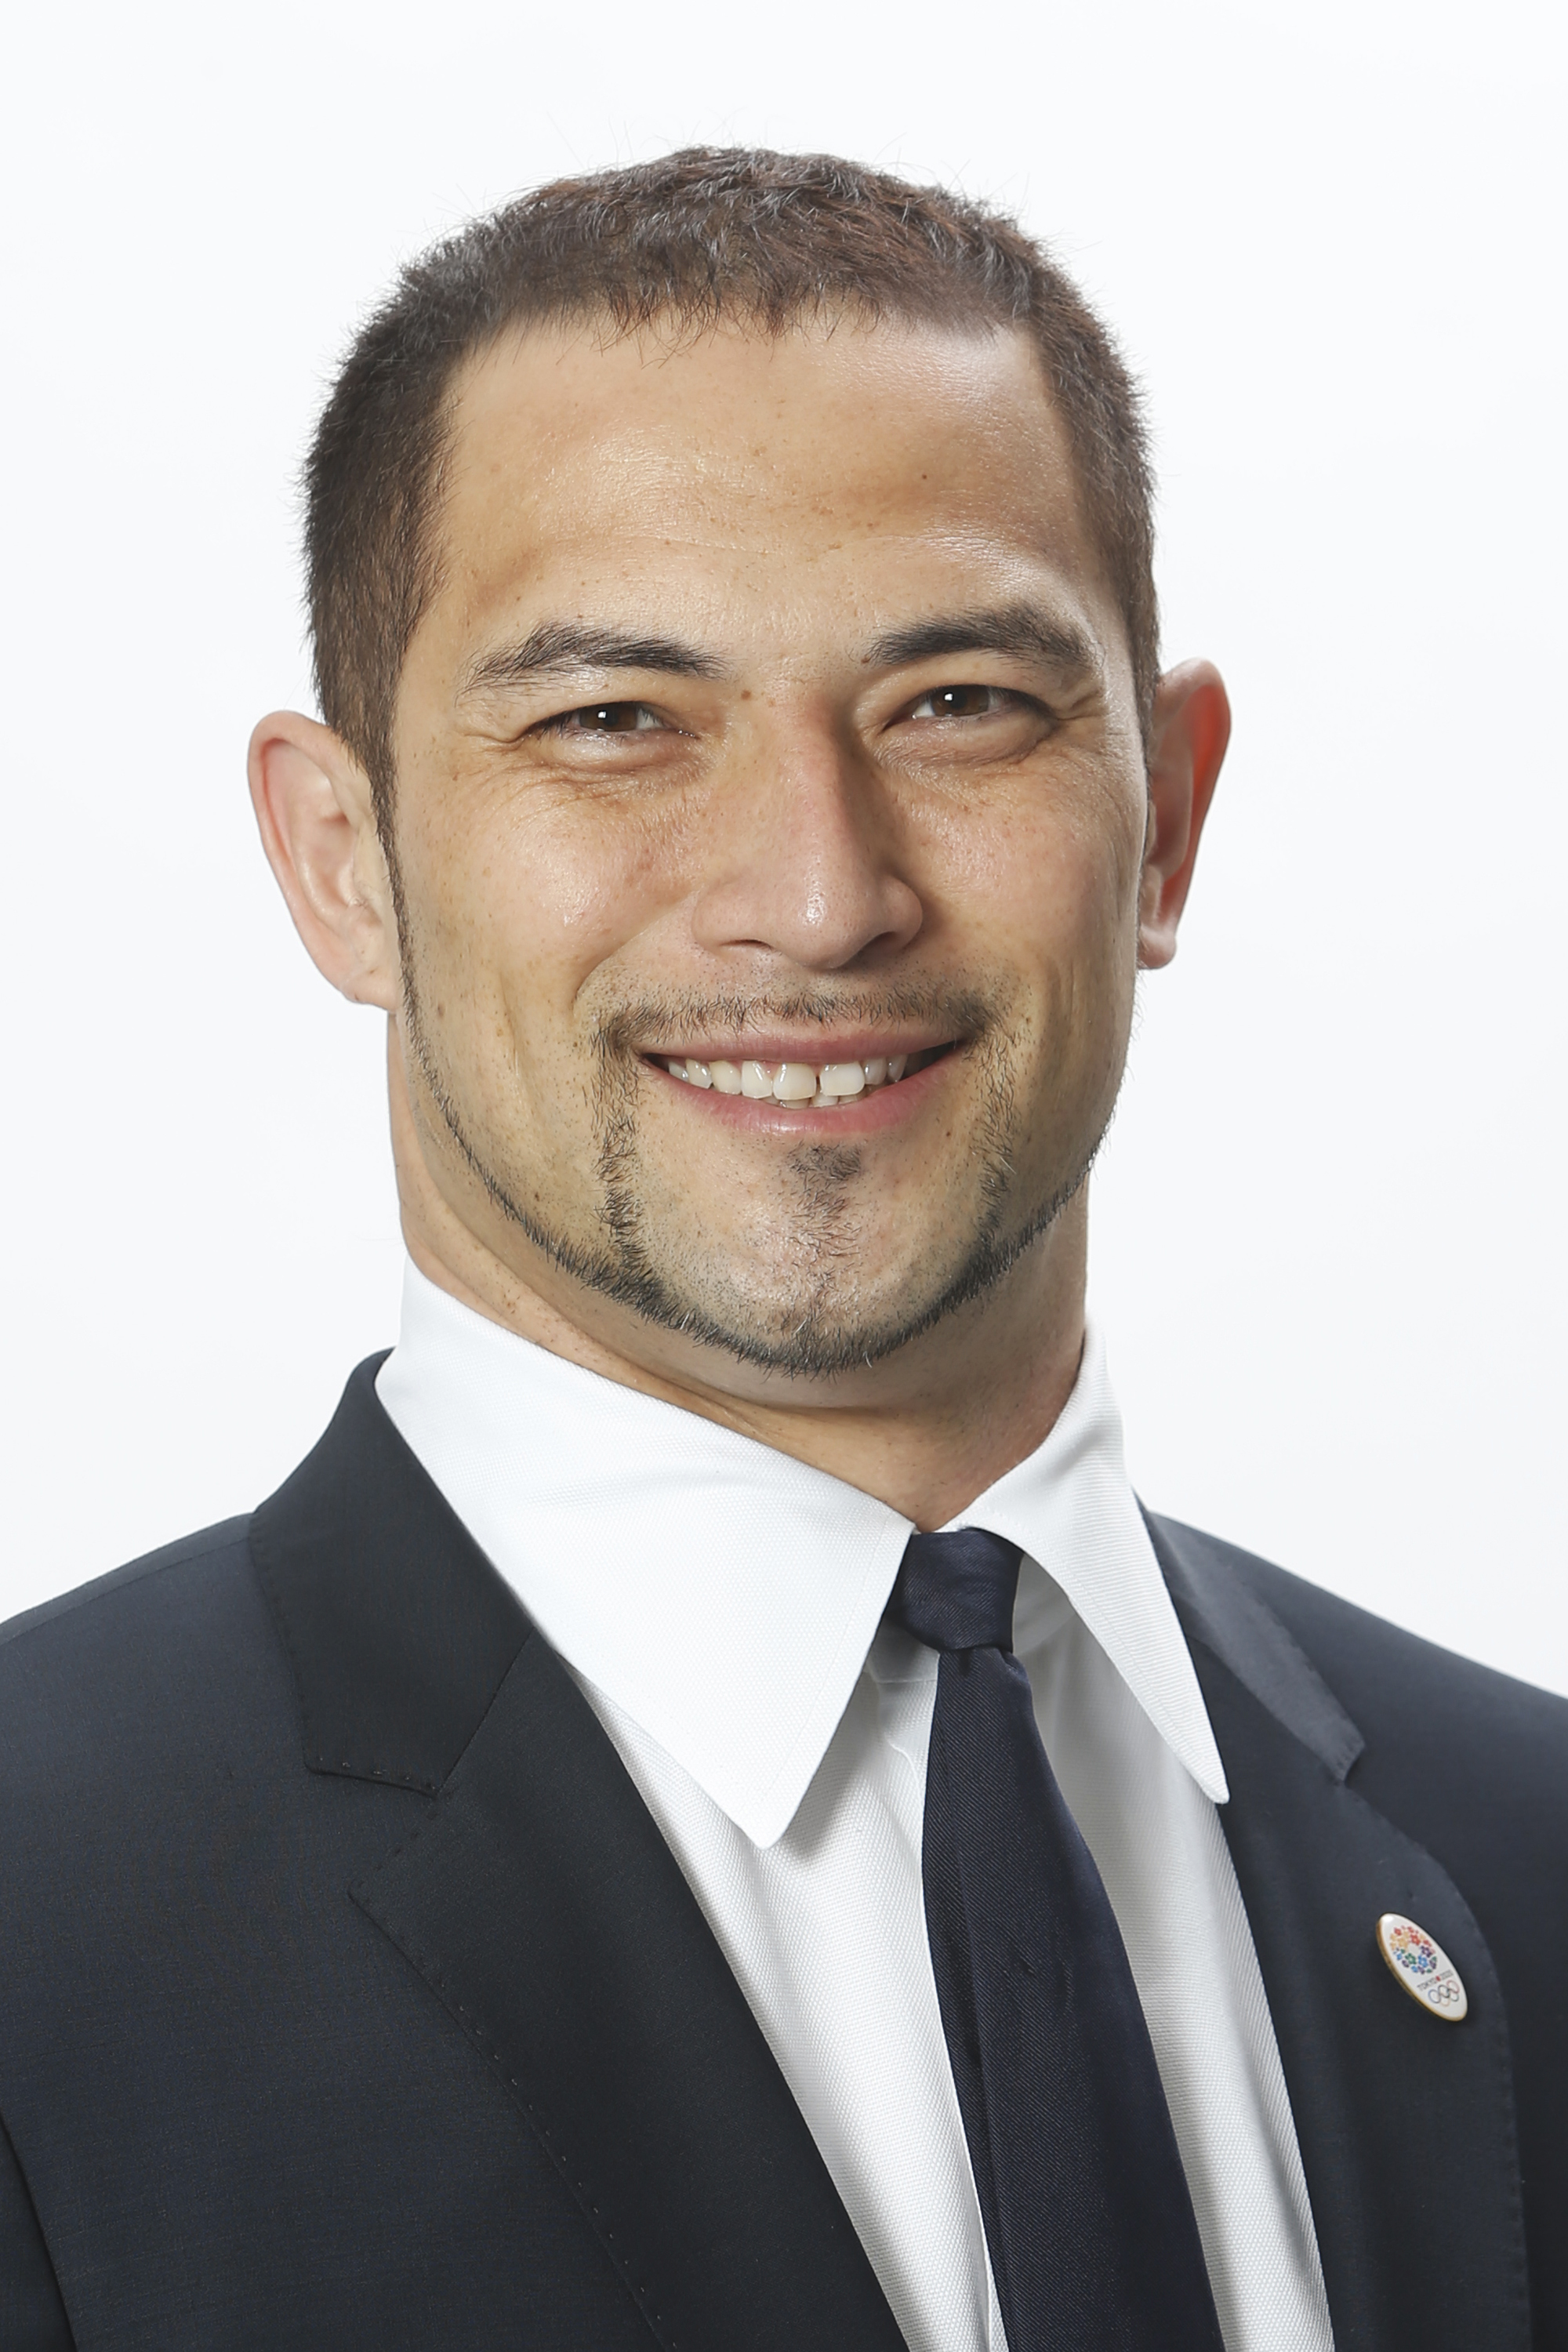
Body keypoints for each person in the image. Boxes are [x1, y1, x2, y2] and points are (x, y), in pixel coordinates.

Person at [0, 148, 1561, 2352]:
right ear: (343, 861)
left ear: (1168, 816)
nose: (819, 898)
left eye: (961, 704)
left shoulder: (1532, 1849)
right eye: (613, 722)